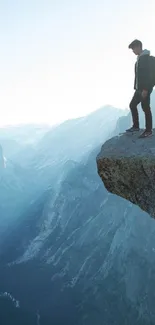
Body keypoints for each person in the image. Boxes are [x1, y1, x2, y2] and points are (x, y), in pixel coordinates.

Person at [126, 39, 153, 138]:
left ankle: (148, 130)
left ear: (138, 47)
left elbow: (149, 75)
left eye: (133, 49)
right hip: (139, 89)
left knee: (145, 108)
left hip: (145, 89)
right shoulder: (139, 59)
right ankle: (136, 126)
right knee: (132, 105)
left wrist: (145, 89)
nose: (133, 51)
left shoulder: (146, 59)